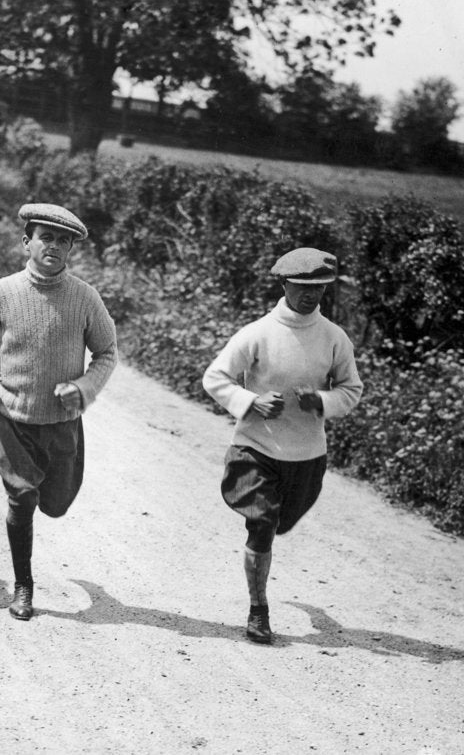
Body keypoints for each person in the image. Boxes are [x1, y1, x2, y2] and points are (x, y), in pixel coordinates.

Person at [0, 203, 118, 620]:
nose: (55, 246)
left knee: (56, 504)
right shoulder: (2, 292)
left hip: (61, 422)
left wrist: (83, 388)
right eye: (46, 237)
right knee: (22, 496)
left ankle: (46, 501)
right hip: (10, 415)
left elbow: (107, 352)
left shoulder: (85, 298)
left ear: (71, 249)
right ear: (27, 242)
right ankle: (23, 586)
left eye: (64, 241)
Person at [202, 247, 362, 644]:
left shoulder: (333, 338)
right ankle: (258, 611)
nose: (310, 295)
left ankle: (270, 540)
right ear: (284, 284)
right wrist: (251, 401)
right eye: (302, 286)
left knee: (281, 523)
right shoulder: (258, 333)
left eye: (319, 288)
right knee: (262, 524)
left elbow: (351, 389)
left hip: (306, 454)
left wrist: (321, 401)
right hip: (256, 448)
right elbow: (215, 377)